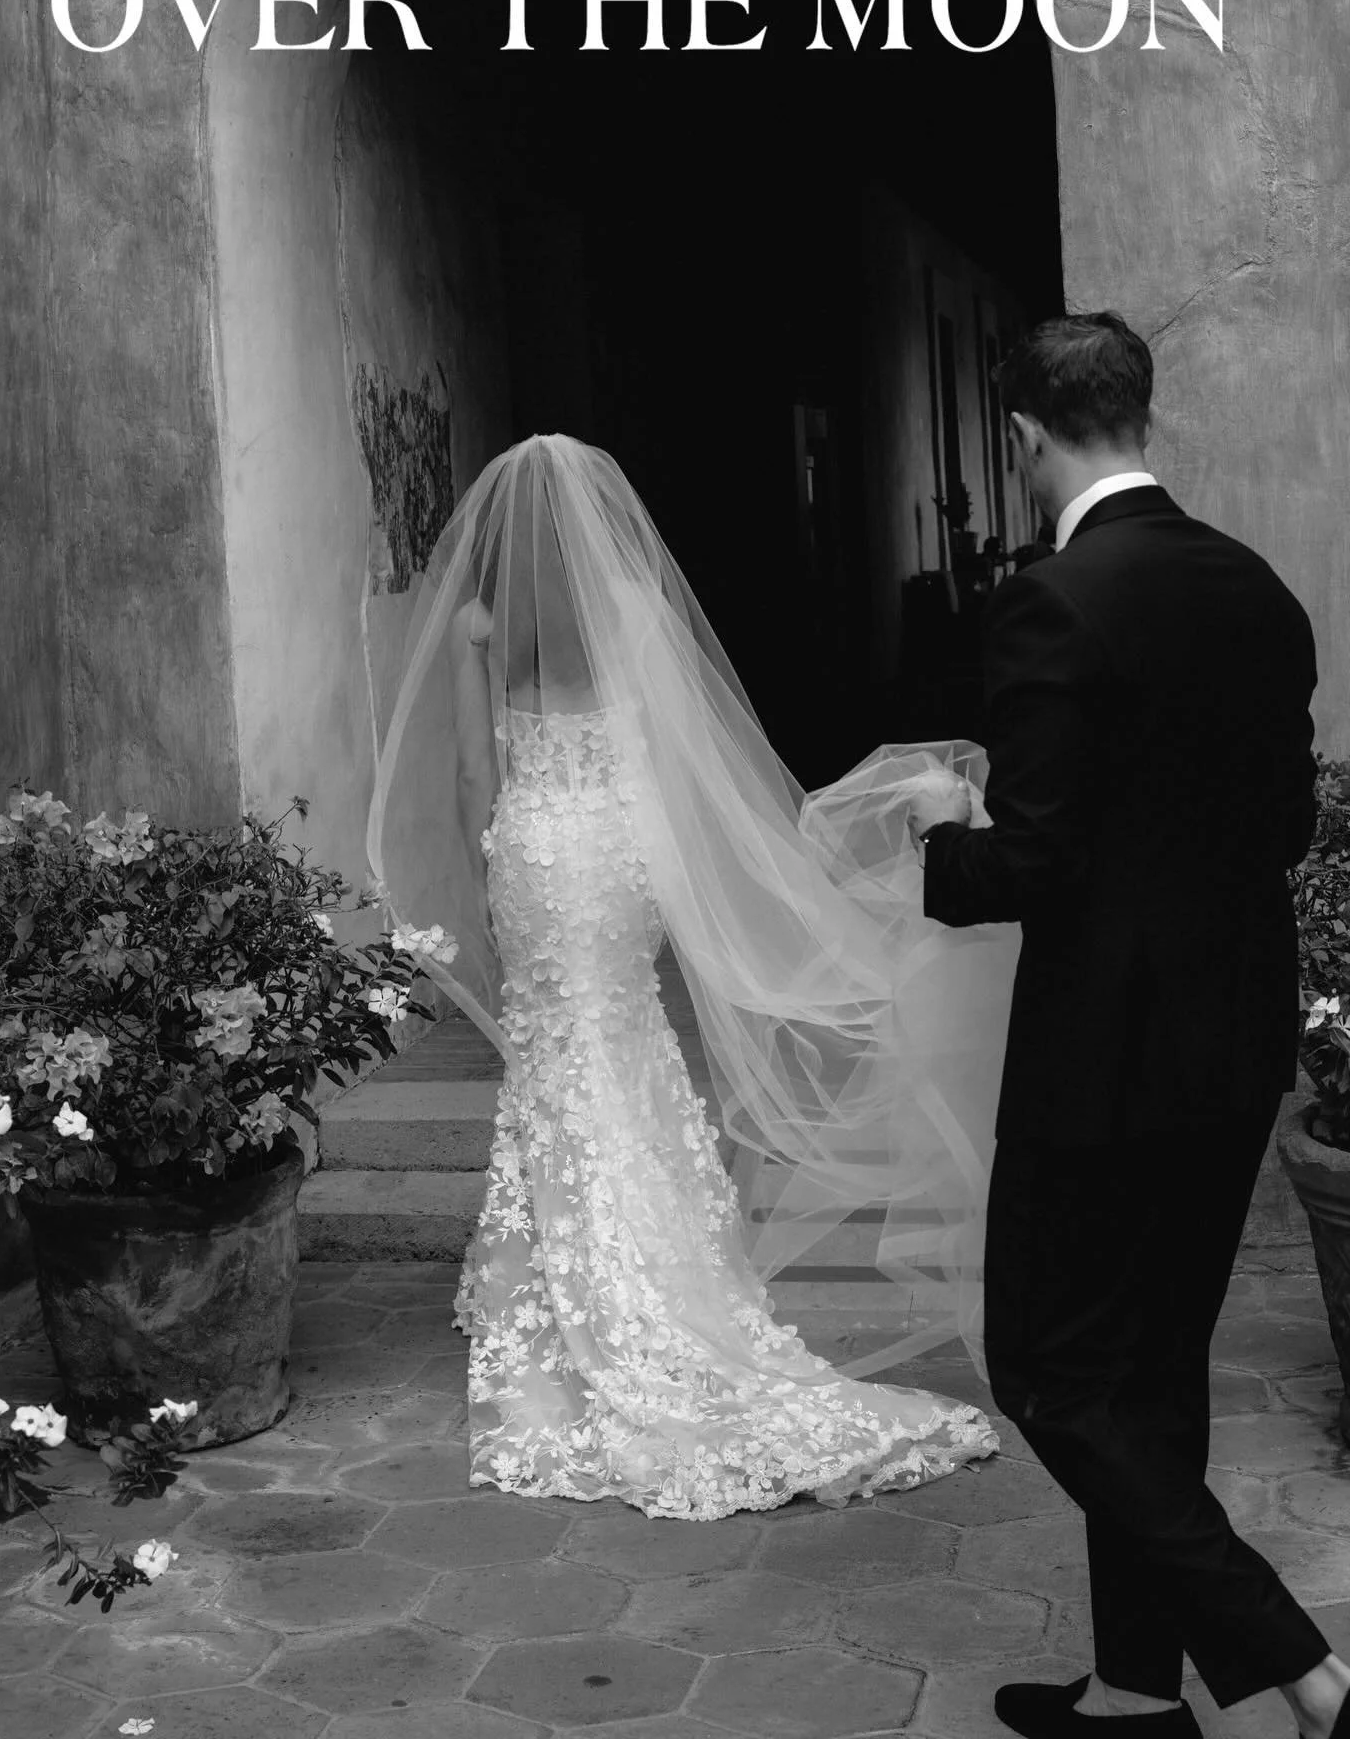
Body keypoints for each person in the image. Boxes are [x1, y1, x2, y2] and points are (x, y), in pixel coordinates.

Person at [366, 430, 1017, 1521]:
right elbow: (674, 753)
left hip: (538, 849)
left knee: (556, 1057)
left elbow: (480, 771)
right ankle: (644, 1272)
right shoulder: (629, 606)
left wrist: (492, 862)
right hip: (624, 855)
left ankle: (593, 1290)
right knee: (622, 1040)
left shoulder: (483, 623)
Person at [907, 312, 1348, 1739]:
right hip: (1233, 1048)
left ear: (1024, 439)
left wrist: (936, 834)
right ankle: (1132, 1692)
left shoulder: (1053, 601)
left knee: (1050, 1371)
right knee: (1153, 1372)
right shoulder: (1257, 588)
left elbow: (1024, 868)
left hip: (1103, 1067)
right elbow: (1283, 824)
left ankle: (1310, 1672)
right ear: (1139, 415)